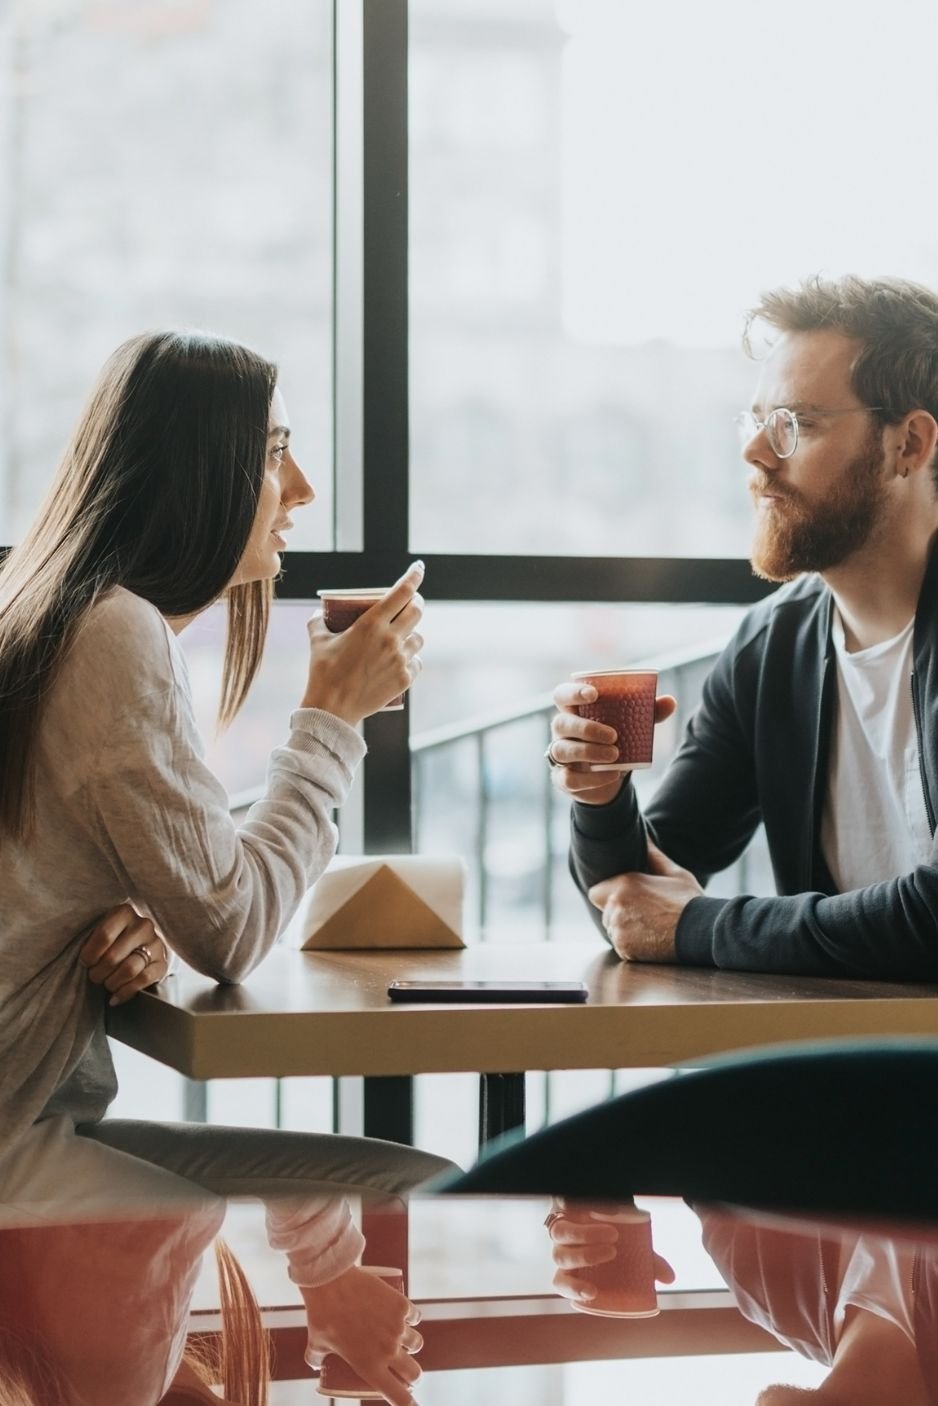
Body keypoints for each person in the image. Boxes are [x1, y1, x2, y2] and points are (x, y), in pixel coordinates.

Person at [0, 328, 454, 1399]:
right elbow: (236, 926)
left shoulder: (52, 602)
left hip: (41, 1112)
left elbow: (173, 887)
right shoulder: (109, 632)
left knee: (407, 1175)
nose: (296, 486)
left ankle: (337, 1294)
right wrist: (332, 715)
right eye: (271, 452)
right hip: (18, 1135)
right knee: (414, 1189)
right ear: (193, 472)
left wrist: (135, 904)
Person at [548, 274, 938, 977]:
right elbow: (637, 906)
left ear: (908, 445)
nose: (755, 452)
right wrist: (603, 800)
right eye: (755, 420)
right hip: (855, 1071)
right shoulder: (773, 648)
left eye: (797, 424)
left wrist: (702, 926)